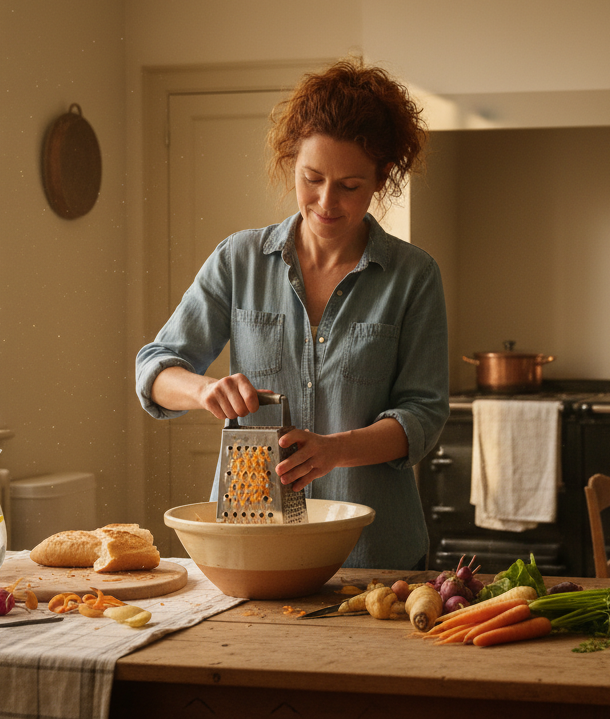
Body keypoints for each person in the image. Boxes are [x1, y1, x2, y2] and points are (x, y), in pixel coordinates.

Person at [135, 58, 449, 572]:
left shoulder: (413, 276)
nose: (326, 202)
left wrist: (335, 450)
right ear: (292, 165)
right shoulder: (238, 260)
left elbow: (424, 415)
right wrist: (203, 391)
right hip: (252, 547)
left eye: (349, 185)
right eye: (313, 178)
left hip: (372, 556)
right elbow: (154, 368)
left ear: (380, 180)